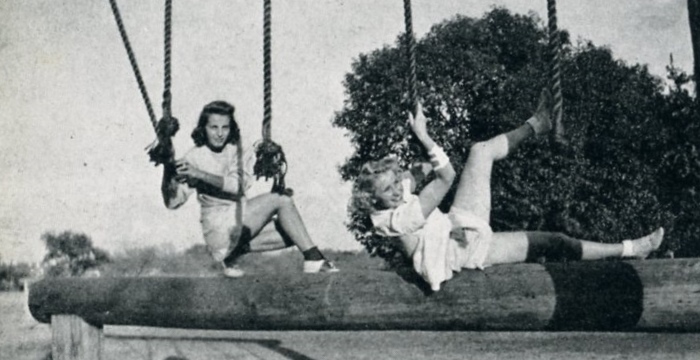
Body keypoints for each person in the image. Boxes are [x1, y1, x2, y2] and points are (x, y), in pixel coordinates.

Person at [350, 90, 664, 291]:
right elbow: (446, 176)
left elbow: (418, 172)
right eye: (387, 190)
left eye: (395, 183)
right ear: (373, 200)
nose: (396, 191)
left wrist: (417, 146)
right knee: (554, 241)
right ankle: (630, 249)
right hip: (460, 252)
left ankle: (537, 123)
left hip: (456, 228)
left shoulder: (393, 197)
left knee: (480, 151)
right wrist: (424, 136)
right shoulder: (398, 220)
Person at [161, 100, 338, 278]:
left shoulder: (238, 152)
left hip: (236, 224)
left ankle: (233, 254)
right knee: (281, 200)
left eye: (225, 127)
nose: (220, 134)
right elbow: (172, 202)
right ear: (203, 128)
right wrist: (167, 171)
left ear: (231, 128)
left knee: (294, 230)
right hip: (217, 229)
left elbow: (236, 186)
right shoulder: (193, 157)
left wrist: (199, 174)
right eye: (214, 127)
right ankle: (314, 259)